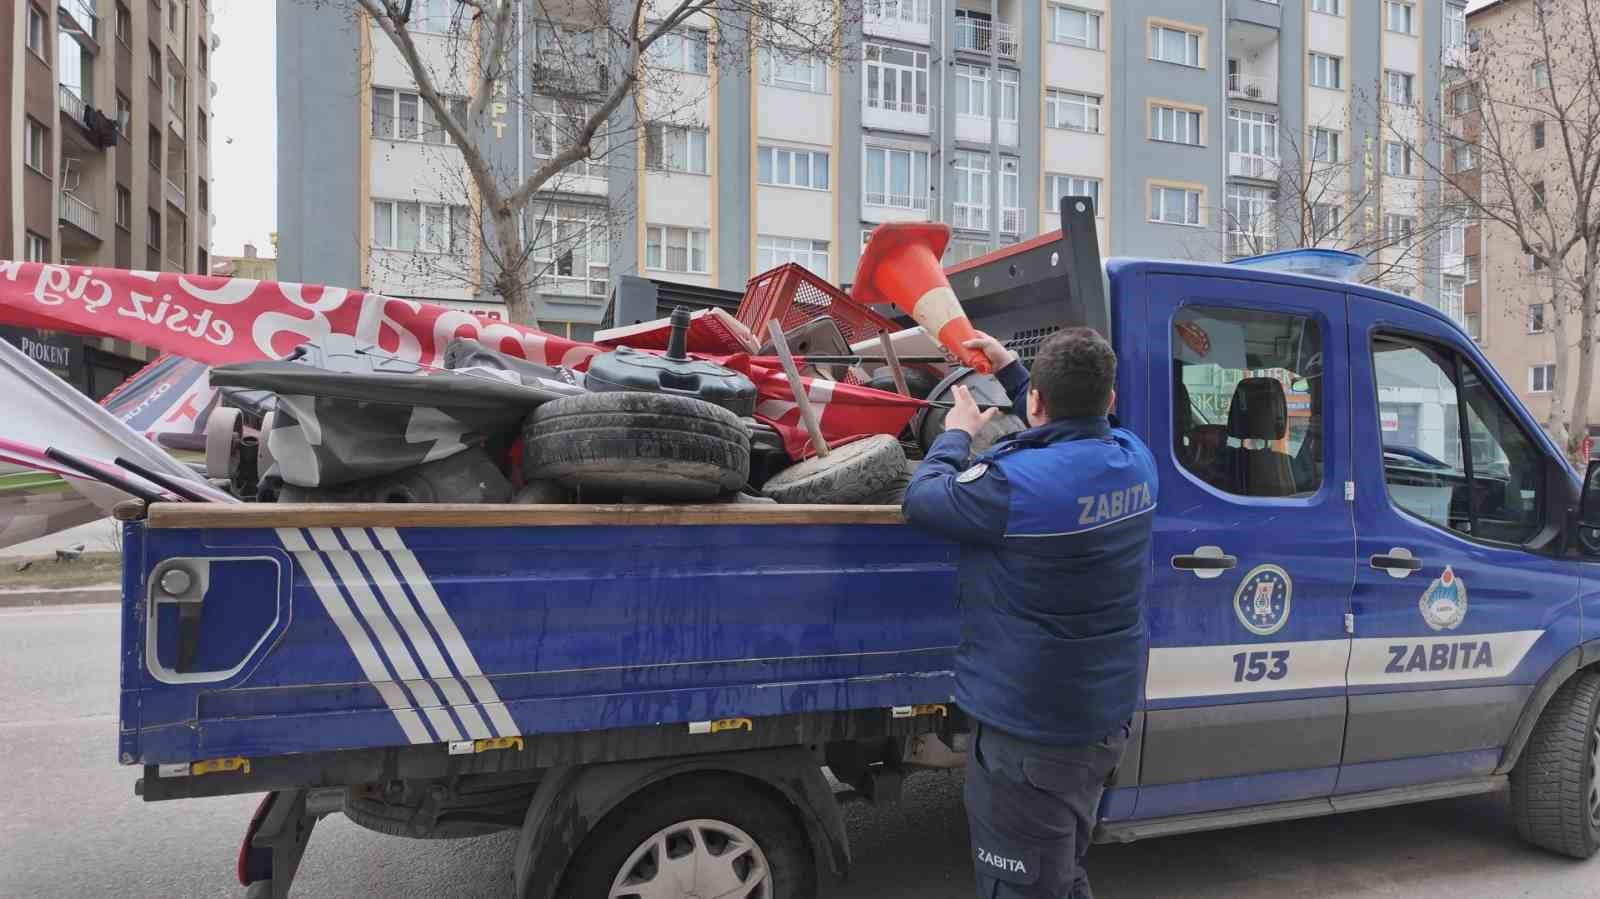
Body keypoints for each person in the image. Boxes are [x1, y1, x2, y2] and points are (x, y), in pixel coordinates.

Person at [902, 328, 1158, 899]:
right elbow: (1073, 428)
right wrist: (1013, 370)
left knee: (1024, 885)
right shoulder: (1136, 460)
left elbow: (921, 499)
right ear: (1110, 400)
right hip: (1099, 720)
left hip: (1032, 735)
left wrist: (957, 433)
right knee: (1058, 869)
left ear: (1036, 402)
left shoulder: (1012, 486)